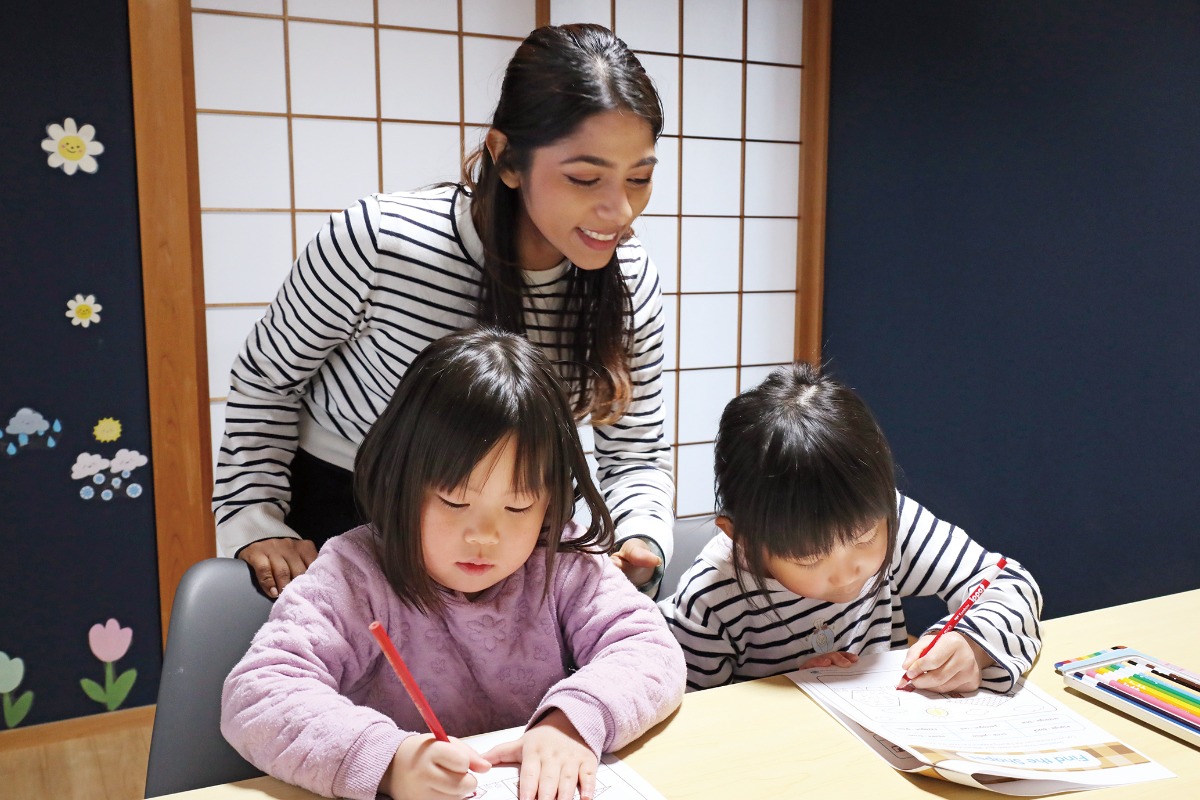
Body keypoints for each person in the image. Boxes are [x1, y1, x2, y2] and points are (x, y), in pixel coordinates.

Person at [212, 23, 673, 597]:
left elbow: (637, 452)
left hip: (515, 530)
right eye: (585, 178)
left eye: (640, 178)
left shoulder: (630, 278)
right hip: (351, 514)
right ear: (506, 159)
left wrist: (641, 537)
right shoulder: (380, 241)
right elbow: (267, 380)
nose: (619, 209)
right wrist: (255, 518)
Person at [221, 328, 686, 800]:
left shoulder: (559, 562)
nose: (484, 535)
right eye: (453, 500)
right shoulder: (352, 576)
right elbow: (258, 695)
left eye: (519, 507)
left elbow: (650, 649)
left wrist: (570, 722)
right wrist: (389, 761)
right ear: (399, 481)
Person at [660, 362, 1043, 693]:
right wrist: (787, 690)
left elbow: (1006, 580)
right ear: (740, 536)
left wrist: (971, 643)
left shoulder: (892, 522)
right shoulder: (710, 598)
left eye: (864, 539)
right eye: (809, 557)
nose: (849, 571)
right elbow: (694, 718)